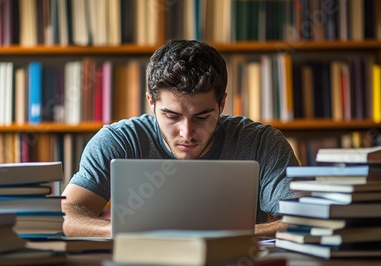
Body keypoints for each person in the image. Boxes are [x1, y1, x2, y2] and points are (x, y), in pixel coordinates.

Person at [61, 39, 300, 237]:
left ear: (222, 103)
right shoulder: (119, 140)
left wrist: (226, 238)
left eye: (202, 116)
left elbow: (305, 219)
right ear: (151, 103)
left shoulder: (262, 143)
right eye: (172, 116)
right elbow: (65, 215)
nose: (186, 133)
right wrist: (122, 231)